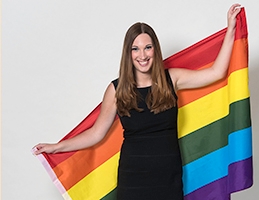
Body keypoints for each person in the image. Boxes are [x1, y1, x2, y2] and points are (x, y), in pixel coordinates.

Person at [34, 4, 242, 200]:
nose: (142, 55)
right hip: (133, 178)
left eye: (147, 47)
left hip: (167, 176)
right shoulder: (117, 89)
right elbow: (96, 133)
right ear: (128, 53)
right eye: (135, 49)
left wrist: (231, 28)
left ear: (155, 50)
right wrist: (57, 147)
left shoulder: (173, 79)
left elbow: (217, 72)